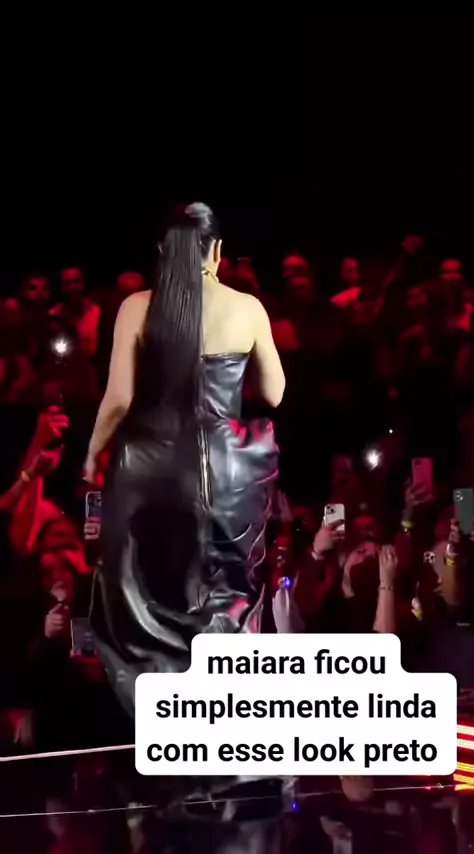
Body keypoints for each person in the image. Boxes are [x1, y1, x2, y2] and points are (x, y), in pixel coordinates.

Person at [84, 203, 285, 724]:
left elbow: (119, 399)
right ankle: (220, 723)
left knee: (144, 595)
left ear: (163, 252)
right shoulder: (247, 308)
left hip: (151, 468)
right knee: (223, 595)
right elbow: (275, 393)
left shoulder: (137, 307)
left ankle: (161, 722)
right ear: (217, 251)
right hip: (226, 471)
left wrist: (90, 452)